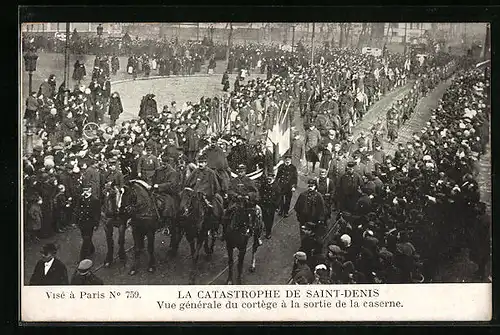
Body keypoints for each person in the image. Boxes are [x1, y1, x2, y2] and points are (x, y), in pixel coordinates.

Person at [223, 164, 261, 241]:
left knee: (253, 215)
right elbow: (229, 190)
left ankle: (254, 233)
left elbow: (255, 192)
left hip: (247, 202)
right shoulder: (234, 181)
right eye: (239, 172)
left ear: (245, 172)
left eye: (242, 172)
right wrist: (236, 195)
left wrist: (248, 196)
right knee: (226, 214)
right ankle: (224, 233)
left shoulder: (249, 181)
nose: (240, 173)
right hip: (236, 202)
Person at [74, 186, 101, 261]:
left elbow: (97, 213)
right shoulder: (81, 198)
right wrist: (76, 221)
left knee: (86, 239)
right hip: (82, 221)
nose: (85, 192)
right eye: (84, 190)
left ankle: (82, 257)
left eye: (86, 190)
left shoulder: (95, 200)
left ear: (90, 190)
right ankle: (91, 248)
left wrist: (96, 224)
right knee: (85, 237)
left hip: (90, 222)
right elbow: (77, 209)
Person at [259, 173, 281, 239]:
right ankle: (266, 227)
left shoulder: (276, 186)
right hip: (264, 204)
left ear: (273, 179)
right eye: (267, 179)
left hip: (271, 206)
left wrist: (276, 206)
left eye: (270, 179)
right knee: (264, 218)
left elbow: (279, 197)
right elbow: (260, 193)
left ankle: (268, 232)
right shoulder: (264, 185)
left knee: (270, 220)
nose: (268, 180)